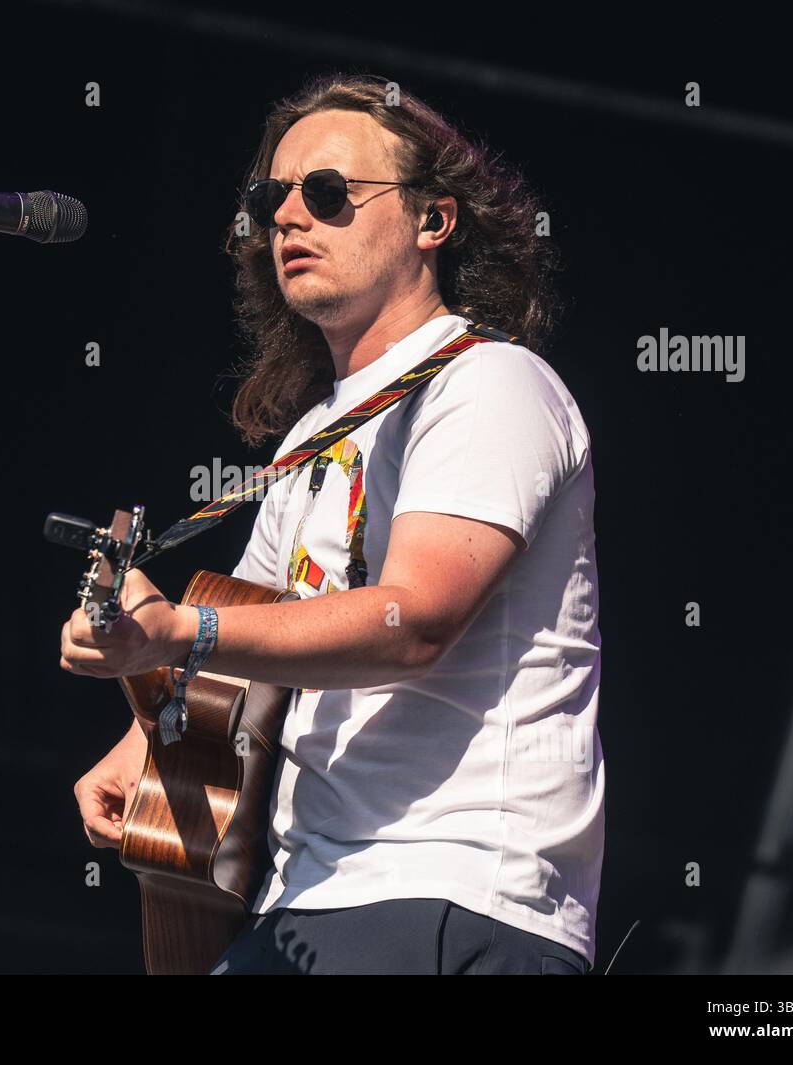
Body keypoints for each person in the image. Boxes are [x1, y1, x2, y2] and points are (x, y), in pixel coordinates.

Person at [62, 73, 603, 975]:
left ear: (433, 220)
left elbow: (415, 621)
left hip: (454, 884)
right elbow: (251, 632)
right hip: (313, 899)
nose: (287, 218)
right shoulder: (317, 432)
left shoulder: (489, 384)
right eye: (271, 197)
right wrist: (139, 727)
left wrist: (177, 632)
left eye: (327, 194)